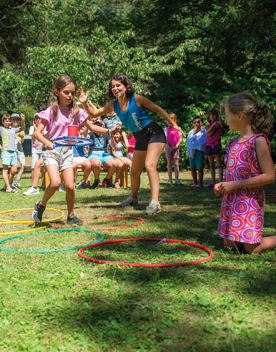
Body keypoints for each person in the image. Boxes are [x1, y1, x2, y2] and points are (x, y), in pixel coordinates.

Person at [77, 73, 184, 214]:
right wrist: (85, 102)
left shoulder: (137, 99)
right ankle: (133, 198)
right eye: (113, 86)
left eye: (118, 86)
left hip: (154, 133)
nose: (115, 88)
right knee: (134, 172)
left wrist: (173, 124)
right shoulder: (114, 105)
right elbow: (95, 113)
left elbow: (157, 109)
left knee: (150, 165)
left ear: (126, 87)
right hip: (140, 137)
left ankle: (155, 202)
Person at [32, 75, 115, 225]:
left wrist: (108, 131)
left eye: (72, 92)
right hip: (52, 151)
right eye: (66, 92)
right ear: (57, 92)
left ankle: (71, 215)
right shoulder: (51, 111)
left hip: (67, 151)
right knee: (56, 182)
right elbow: (37, 133)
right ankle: (41, 205)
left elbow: (91, 125)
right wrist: (47, 142)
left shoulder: (76, 111)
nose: (70, 96)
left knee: (70, 185)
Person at [214, 92, 276, 254]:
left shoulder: (258, 141)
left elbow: (270, 176)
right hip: (232, 200)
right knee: (229, 246)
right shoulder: (232, 143)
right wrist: (222, 184)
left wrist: (235, 184)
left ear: (240, 116)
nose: (225, 120)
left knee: (251, 248)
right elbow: (232, 173)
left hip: (248, 201)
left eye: (227, 115)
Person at [88, 119, 117, 189]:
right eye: (96, 125)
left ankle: (106, 180)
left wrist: (112, 135)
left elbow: (113, 145)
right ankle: (97, 180)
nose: (98, 127)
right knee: (96, 163)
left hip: (104, 154)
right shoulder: (91, 134)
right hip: (93, 154)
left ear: (102, 126)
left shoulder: (106, 135)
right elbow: (84, 136)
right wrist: (88, 125)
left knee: (114, 163)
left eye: (99, 125)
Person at [0, 113, 25, 193]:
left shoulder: (13, 129)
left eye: (9, 121)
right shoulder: (1, 129)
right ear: (3, 122)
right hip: (6, 151)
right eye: (6, 121)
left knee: (14, 170)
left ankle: (6, 186)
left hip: (13, 152)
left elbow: (22, 128)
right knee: (5, 170)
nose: (8, 122)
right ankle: (8, 187)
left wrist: (23, 120)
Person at [205, 107, 223, 188]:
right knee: (211, 165)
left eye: (213, 115)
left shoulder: (218, 124)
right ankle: (213, 181)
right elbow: (208, 133)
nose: (212, 117)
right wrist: (212, 127)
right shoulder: (208, 126)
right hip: (208, 145)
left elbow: (209, 133)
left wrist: (211, 129)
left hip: (216, 144)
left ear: (216, 116)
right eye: (210, 115)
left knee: (219, 164)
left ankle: (220, 181)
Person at [187, 116, 206, 187]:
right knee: (192, 167)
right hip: (192, 151)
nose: (196, 124)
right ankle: (195, 182)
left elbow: (202, 140)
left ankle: (200, 183)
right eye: (195, 122)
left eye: (198, 122)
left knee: (199, 167)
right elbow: (189, 141)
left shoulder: (203, 131)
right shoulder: (191, 132)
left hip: (199, 151)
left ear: (202, 123)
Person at [164, 113, 183, 185]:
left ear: (175, 120)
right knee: (169, 164)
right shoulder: (166, 129)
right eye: (169, 120)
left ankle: (177, 179)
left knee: (176, 164)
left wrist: (176, 147)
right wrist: (169, 147)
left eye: (172, 119)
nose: (170, 121)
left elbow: (180, 139)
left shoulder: (178, 129)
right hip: (168, 148)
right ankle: (170, 180)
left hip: (176, 148)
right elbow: (165, 139)